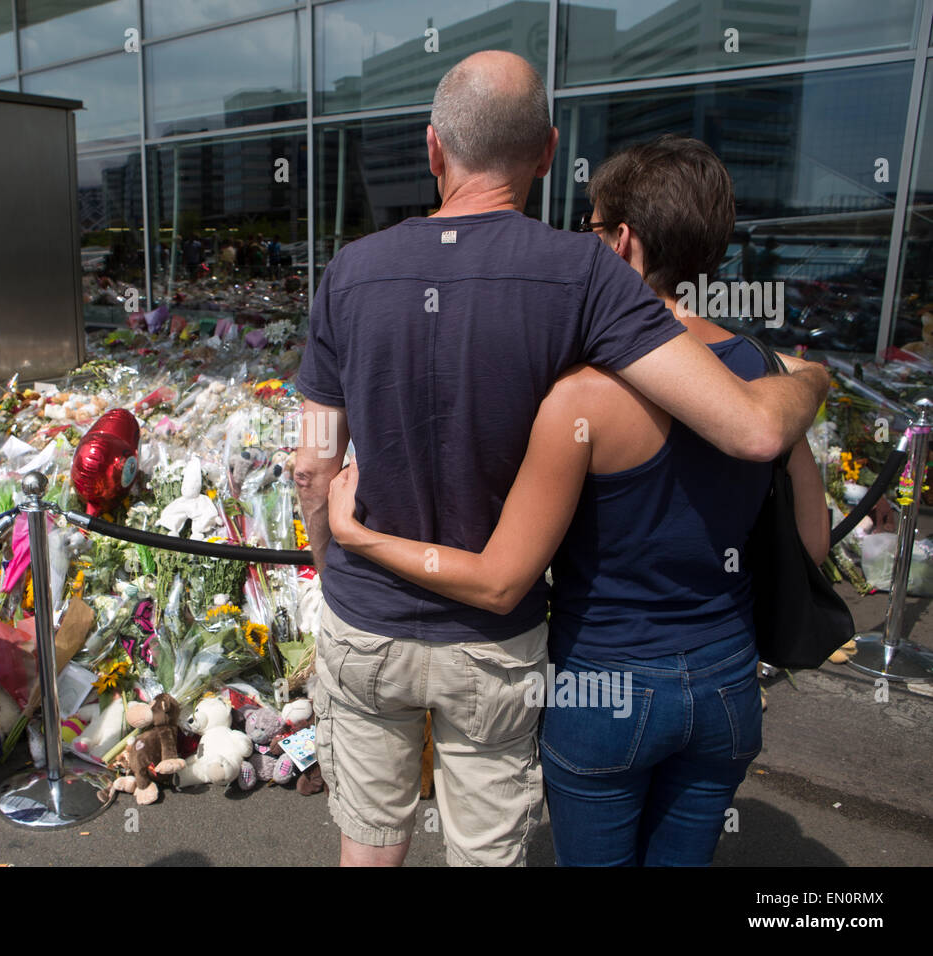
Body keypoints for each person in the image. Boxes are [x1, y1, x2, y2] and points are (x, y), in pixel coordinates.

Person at [293, 51, 830, 868]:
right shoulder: (582, 273)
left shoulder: (349, 272)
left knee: (368, 844)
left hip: (366, 622)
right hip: (494, 637)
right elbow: (747, 427)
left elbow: (314, 462)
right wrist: (807, 378)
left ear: (434, 149)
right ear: (547, 154)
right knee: (483, 852)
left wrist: (337, 558)